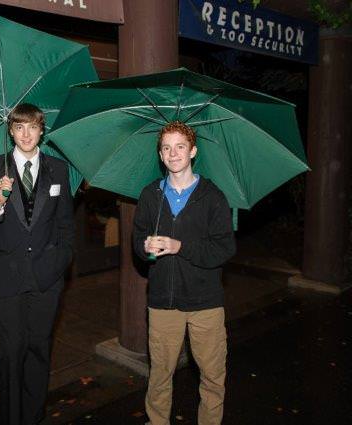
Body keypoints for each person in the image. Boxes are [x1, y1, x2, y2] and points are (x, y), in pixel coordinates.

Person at [0, 103, 75, 425]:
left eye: (32, 127)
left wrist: (58, 264)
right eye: (19, 128)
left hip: (46, 279)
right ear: (11, 131)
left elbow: (66, 225)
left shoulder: (58, 170)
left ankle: (33, 417)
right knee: (11, 352)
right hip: (6, 279)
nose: (26, 134)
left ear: (42, 130)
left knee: (38, 350)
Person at [133, 121, 236, 425]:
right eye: (166, 147)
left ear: (193, 151)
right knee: (160, 375)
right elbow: (137, 241)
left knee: (213, 376)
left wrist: (181, 246)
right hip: (163, 301)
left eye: (180, 146)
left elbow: (224, 248)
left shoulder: (212, 196)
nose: (172, 153)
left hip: (206, 303)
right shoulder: (151, 194)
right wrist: (144, 244)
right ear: (160, 155)